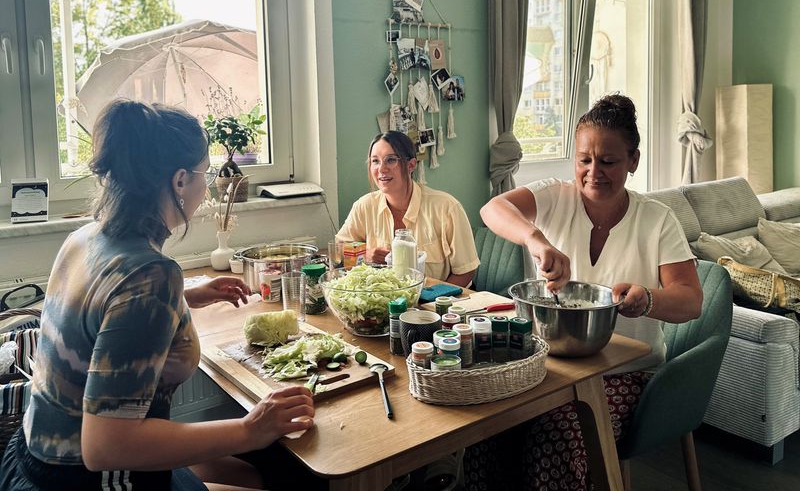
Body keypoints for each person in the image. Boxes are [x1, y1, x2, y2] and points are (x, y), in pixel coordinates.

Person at [0, 100, 316, 491]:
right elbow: (105, 447)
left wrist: (185, 296)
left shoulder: (86, 237)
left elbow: (104, 311)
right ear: (180, 180)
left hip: (30, 458)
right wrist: (250, 429)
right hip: (85, 479)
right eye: (205, 172)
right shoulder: (150, 276)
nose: (207, 185)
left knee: (250, 476)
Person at [464, 94, 703, 490]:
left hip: (624, 372)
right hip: (552, 365)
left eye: (608, 161)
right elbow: (492, 209)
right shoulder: (556, 197)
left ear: (633, 161)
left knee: (554, 438)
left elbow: (691, 301)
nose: (594, 172)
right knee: (489, 428)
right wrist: (536, 240)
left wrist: (647, 299)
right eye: (584, 160)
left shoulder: (657, 220)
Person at [336, 131, 479, 287]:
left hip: (439, 299)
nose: (382, 169)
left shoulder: (447, 208)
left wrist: (431, 297)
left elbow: (466, 270)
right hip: (385, 298)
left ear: (411, 165)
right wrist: (365, 254)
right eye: (375, 161)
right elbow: (338, 249)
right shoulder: (363, 206)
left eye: (391, 160)